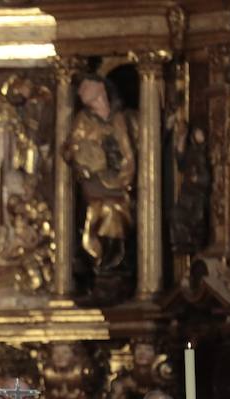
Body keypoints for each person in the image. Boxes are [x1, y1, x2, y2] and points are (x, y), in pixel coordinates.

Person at [62, 74, 135, 274]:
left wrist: (125, 176)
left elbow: (135, 151)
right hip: (95, 183)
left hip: (124, 184)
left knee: (116, 211)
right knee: (105, 213)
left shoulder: (124, 118)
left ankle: (113, 262)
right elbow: (69, 150)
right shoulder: (83, 120)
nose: (80, 92)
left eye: (85, 86)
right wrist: (85, 154)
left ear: (100, 87)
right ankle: (105, 262)